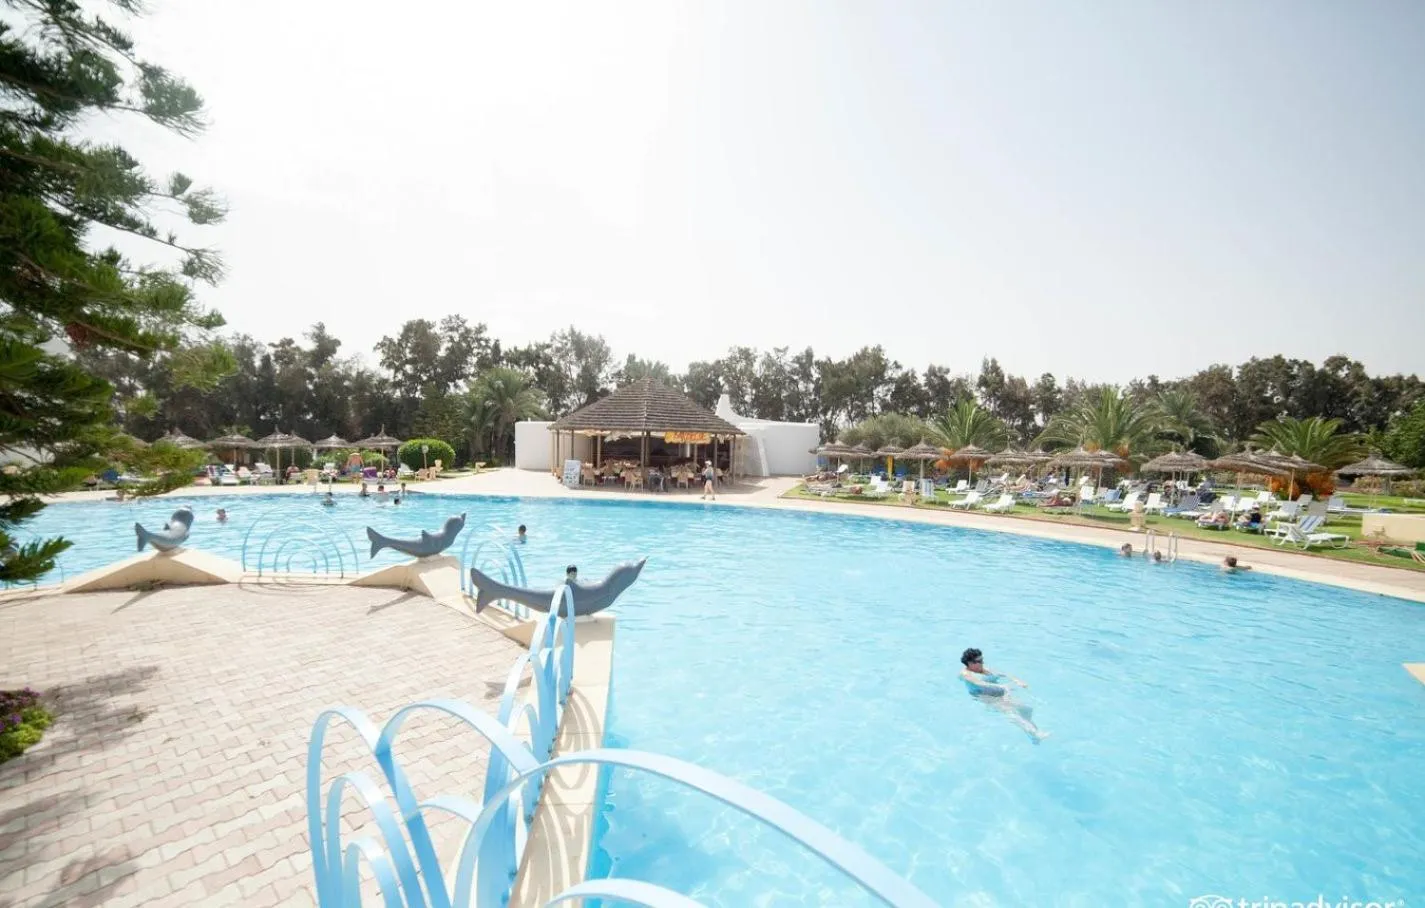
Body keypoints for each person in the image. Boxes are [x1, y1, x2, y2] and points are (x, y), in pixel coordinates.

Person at [960, 648, 1049, 743]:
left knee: (1026, 709)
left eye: (982, 660)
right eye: (979, 661)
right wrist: (1003, 687)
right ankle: (1035, 734)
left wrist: (1016, 680)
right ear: (970, 663)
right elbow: (979, 683)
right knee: (1011, 713)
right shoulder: (966, 674)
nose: (982, 663)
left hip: (998, 693)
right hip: (984, 696)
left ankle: (1033, 734)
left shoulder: (982, 669)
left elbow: (1004, 674)